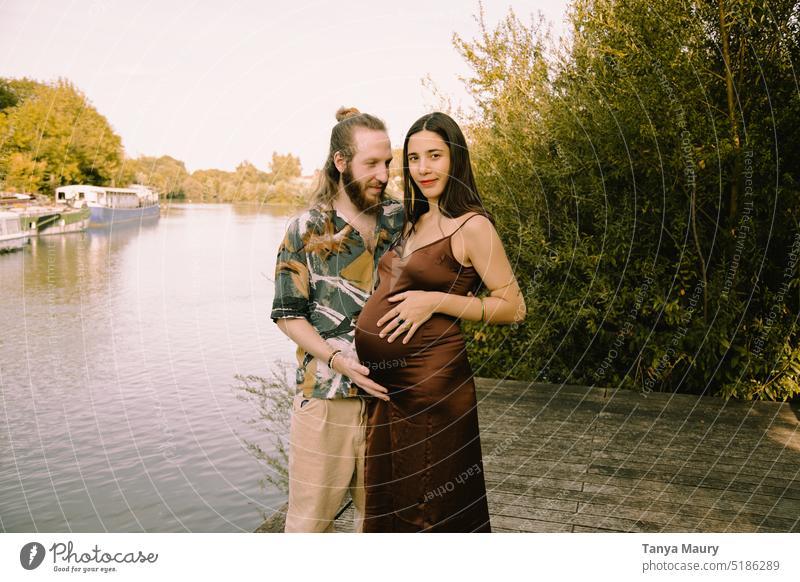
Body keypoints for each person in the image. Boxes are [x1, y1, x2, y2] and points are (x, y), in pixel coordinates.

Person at [354, 111, 527, 532]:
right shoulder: (415, 220)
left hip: (432, 389)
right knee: (388, 502)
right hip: (388, 392)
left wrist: (437, 300)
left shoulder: (472, 226)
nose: (423, 168)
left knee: (428, 509)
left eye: (434, 155)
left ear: (456, 158)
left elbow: (513, 306)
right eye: (413, 159)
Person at [271, 107, 404, 532]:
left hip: (393, 400)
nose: (382, 174)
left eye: (387, 163)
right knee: (309, 529)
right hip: (327, 399)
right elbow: (288, 315)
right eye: (371, 164)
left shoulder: (402, 222)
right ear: (341, 162)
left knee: (384, 527)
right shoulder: (304, 229)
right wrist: (336, 358)